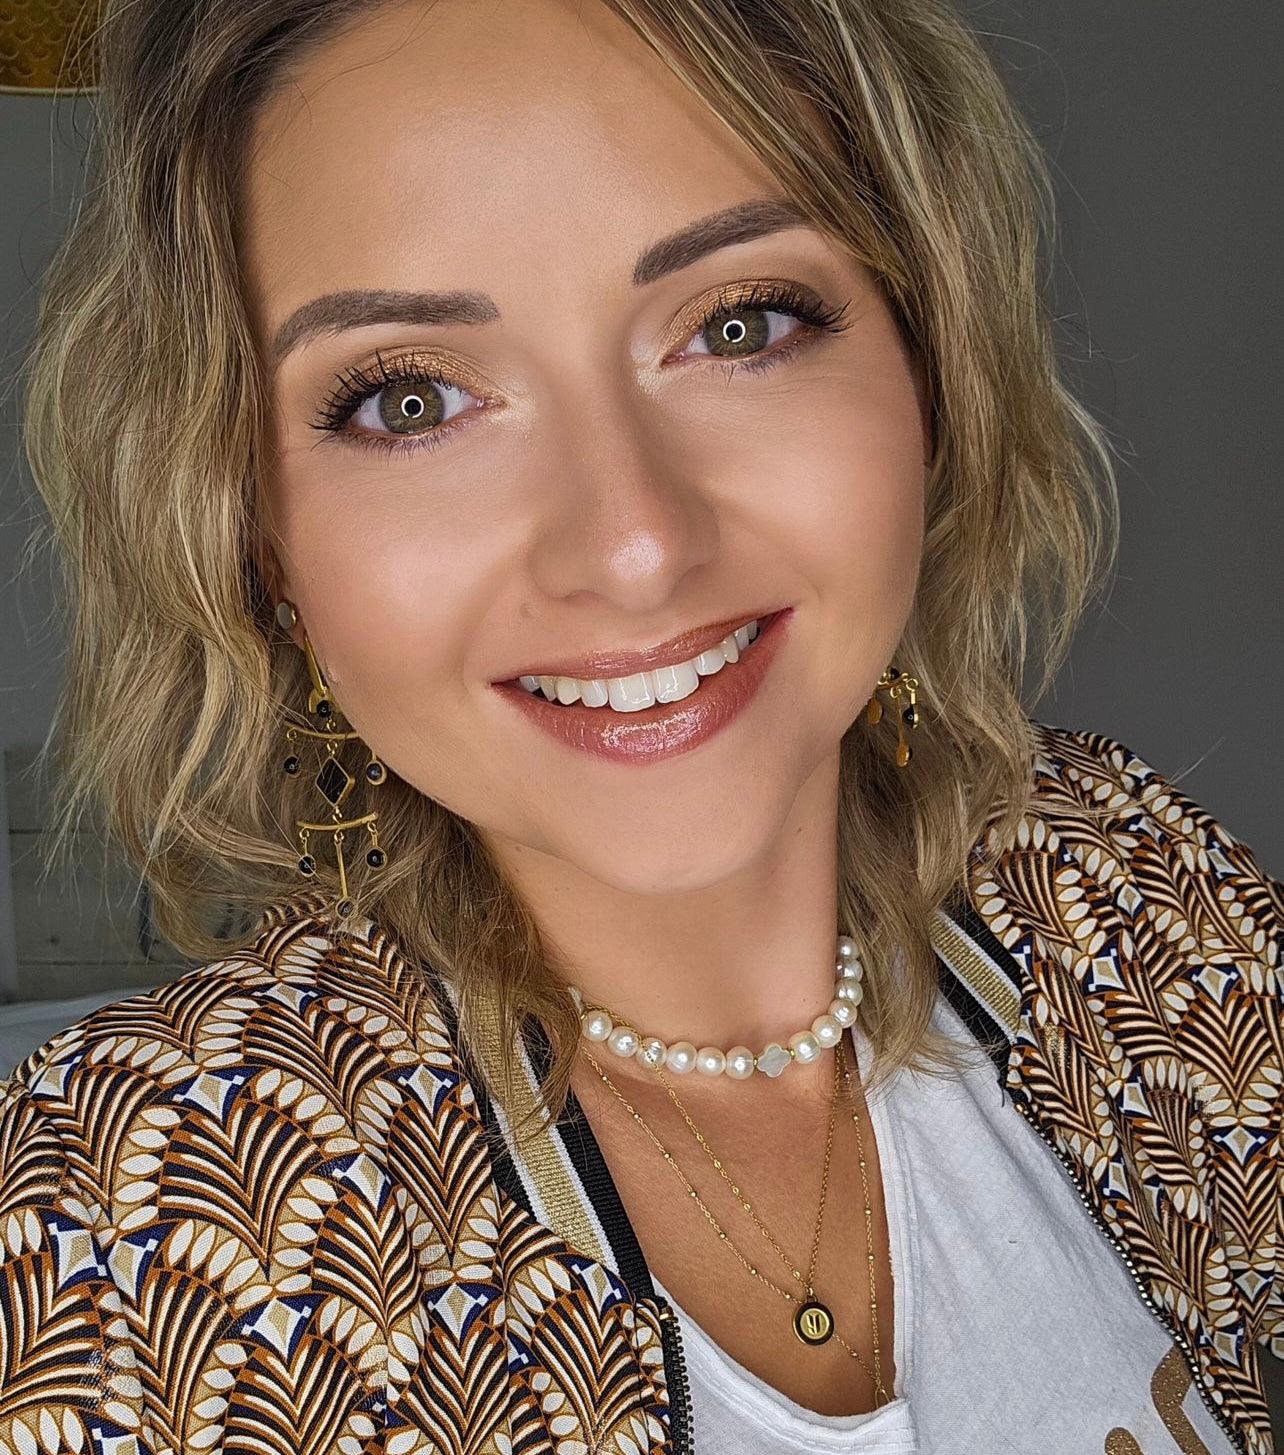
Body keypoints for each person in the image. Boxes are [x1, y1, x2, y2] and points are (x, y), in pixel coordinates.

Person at [1, 0, 1278, 1451]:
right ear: (254, 538)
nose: (634, 545)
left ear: (933, 371)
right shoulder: (126, 1225)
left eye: (740, 325)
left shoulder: (1126, 890)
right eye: (410, 401)